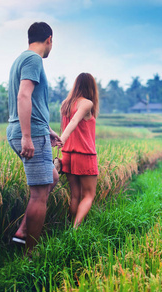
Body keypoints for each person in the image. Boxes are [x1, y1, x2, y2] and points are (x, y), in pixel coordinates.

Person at [6, 22, 61, 254]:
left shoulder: (20, 59)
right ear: (49, 39)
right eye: (52, 42)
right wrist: (28, 137)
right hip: (29, 133)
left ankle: (23, 229)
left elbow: (33, 101)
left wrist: (47, 129)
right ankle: (31, 255)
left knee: (53, 177)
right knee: (39, 195)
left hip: (32, 129)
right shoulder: (33, 60)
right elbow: (24, 96)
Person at [59, 73, 99, 227]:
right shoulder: (86, 104)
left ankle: (69, 226)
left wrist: (62, 142)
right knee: (89, 195)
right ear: (91, 87)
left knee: (75, 195)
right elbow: (75, 120)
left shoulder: (66, 104)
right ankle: (75, 230)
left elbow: (68, 123)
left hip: (68, 155)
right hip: (85, 155)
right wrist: (62, 139)